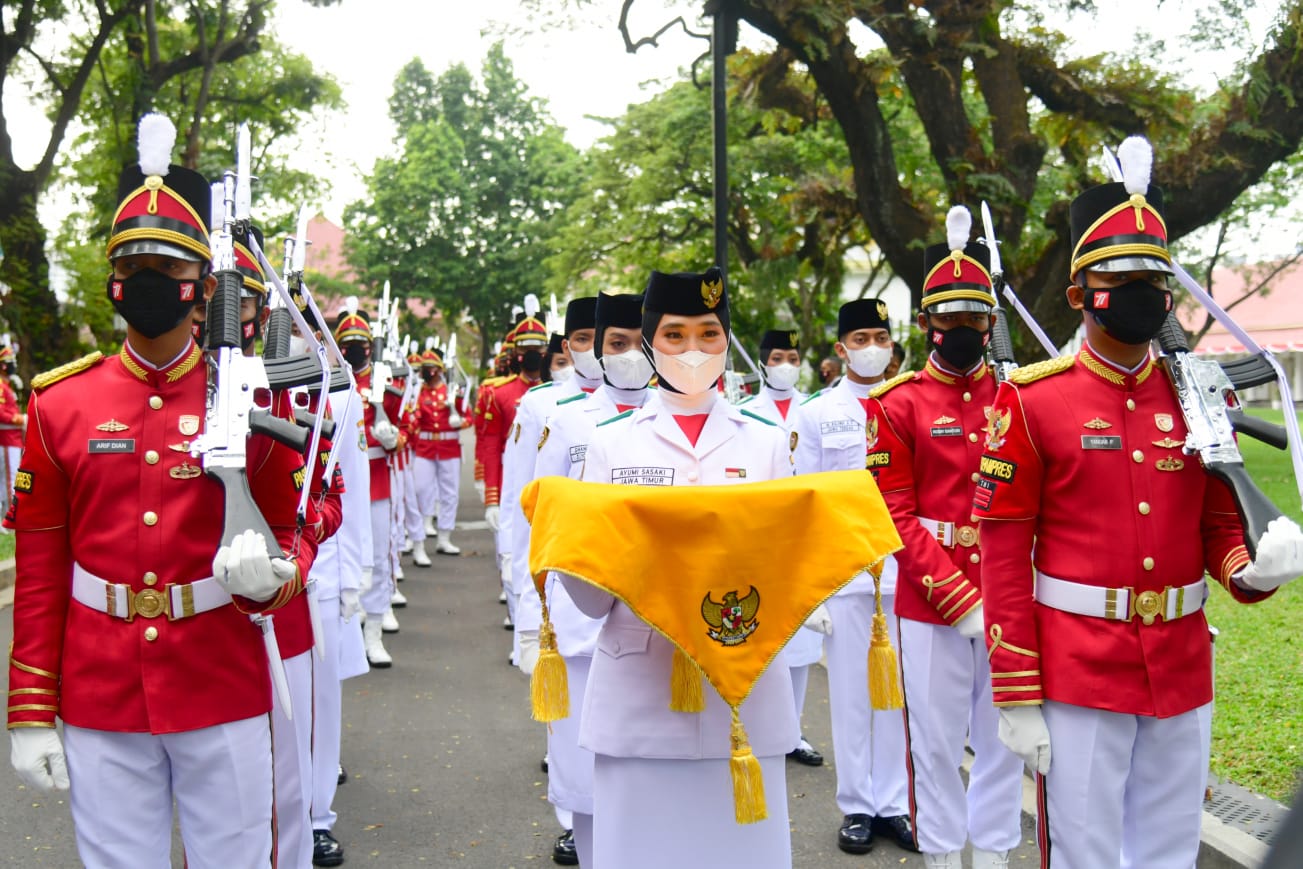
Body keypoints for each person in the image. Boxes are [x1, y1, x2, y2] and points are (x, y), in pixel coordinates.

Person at [973, 136, 1303, 869]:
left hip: (1181, 657)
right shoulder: (1032, 401)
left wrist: (1248, 568)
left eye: (1155, 278)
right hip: (1077, 664)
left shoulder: (1196, 395)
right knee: (1084, 854)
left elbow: (1215, 519)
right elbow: (1001, 557)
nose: (1142, 293)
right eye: (1119, 278)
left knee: (1166, 851)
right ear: (1077, 294)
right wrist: (1015, 691)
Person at [4, 113, 316, 867]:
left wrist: (278, 579)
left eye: (169, 273)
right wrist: (28, 710)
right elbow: (42, 567)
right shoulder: (60, 403)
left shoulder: (247, 396)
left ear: (201, 287)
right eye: (133, 269)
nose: (149, 286)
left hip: (219, 677)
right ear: (112, 280)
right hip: (100, 689)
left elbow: (293, 526)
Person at [560, 267, 798, 869]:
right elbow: (590, 600)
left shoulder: (767, 444)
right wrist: (571, 552)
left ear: (726, 342)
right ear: (648, 343)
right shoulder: (611, 446)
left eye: (709, 334)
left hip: (739, 691)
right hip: (641, 691)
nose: (693, 350)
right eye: (674, 335)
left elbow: (792, 564)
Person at [867, 206, 1023, 869]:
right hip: (929, 598)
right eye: (948, 318)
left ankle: (989, 854)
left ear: (990, 322)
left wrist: (1001, 590)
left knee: (1004, 737)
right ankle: (938, 853)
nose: (961, 330)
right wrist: (958, 597)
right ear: (926, 323)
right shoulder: (895, 404)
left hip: (1012, 589)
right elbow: (891, 512)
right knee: (931, 741)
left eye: (973, 318)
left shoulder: (1021, 396)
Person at [519, 291, 650, 866]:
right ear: (593, 348)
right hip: (577, 613)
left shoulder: (673, 416)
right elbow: (537, 524)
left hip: (652, 614)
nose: (629, 356)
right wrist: (530, 619)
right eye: (616, 344)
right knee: (579, 760)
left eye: (639, 343)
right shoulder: (567, 421)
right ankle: (581, 833)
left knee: (641, 769)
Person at [792, 300, 915, 855]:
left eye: (880, 336)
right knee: (850, 697)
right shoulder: (817, 413)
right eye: (860, 337)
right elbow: (804, 503)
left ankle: (894, 804)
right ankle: (857, 806)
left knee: (898, 699)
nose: (872, 347)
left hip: (911, 573)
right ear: (841, 349)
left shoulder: (911, 401)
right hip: (847, 576)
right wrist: (812, 584)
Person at [738, 330, 824, 769]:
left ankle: (794, 731)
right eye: (778, 356)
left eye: (793, 355)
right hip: (762, 537)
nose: (786, 363)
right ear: (763, 362)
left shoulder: (815, 408)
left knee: (803, 646)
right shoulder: (744, 413)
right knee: (762, 638)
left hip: (804, 534)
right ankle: (756, 727)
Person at [335, 304, 402, 667]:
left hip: (377, 479)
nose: (356, 348)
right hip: (341, 483)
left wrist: (392, 437)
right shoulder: (330, 382)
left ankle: (373, 632)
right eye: (349, 342)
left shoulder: (383, 387)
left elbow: (402, 428)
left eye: (362, 342)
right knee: (345, 556)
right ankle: (347, 627)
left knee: (377, 557)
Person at [481, 310, 548, 630]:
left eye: (538, 348)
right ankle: (517, 619)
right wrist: (491, 496)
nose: (532, 355)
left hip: (549, 483)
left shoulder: (557, 394)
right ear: (515, 353)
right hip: (512, 483)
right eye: (525, 348)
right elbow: (491, 447)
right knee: (510, 557)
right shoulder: (500, 393)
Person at [411, 345, 470, 562]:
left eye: (431, 367)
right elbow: (413, 419)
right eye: (424, 367)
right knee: (420, 489)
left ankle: (445, 536)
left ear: (438, 369)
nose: (427, 371)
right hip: (425, 447)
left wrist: (459, 422)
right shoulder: (417, 392)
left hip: (449, 447)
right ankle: (420, 528)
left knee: (449, 493)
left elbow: (469, 418)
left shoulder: (453, 391)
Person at [0, 343, 24, 500]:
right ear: (2, 365)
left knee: (8, 480)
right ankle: (9, 520)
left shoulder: (6, 385)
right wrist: (16, 419)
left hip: (12, 439)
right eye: (10, 362)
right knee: (10, 479)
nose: (13, 366)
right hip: (7, 439)